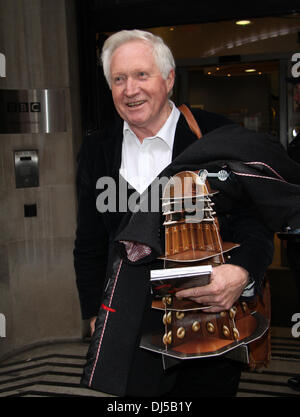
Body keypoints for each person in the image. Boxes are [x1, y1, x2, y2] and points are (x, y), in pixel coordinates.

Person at [73, 29, 281, 397]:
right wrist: (94, 313)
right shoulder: (97, 149)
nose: (130, 89)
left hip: (209, 318)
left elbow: (258, 220)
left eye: (141, 75)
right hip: (130, 323)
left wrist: (242, 270)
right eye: (118, 79)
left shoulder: (215, 135)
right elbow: (89, 241)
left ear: (168, 79)